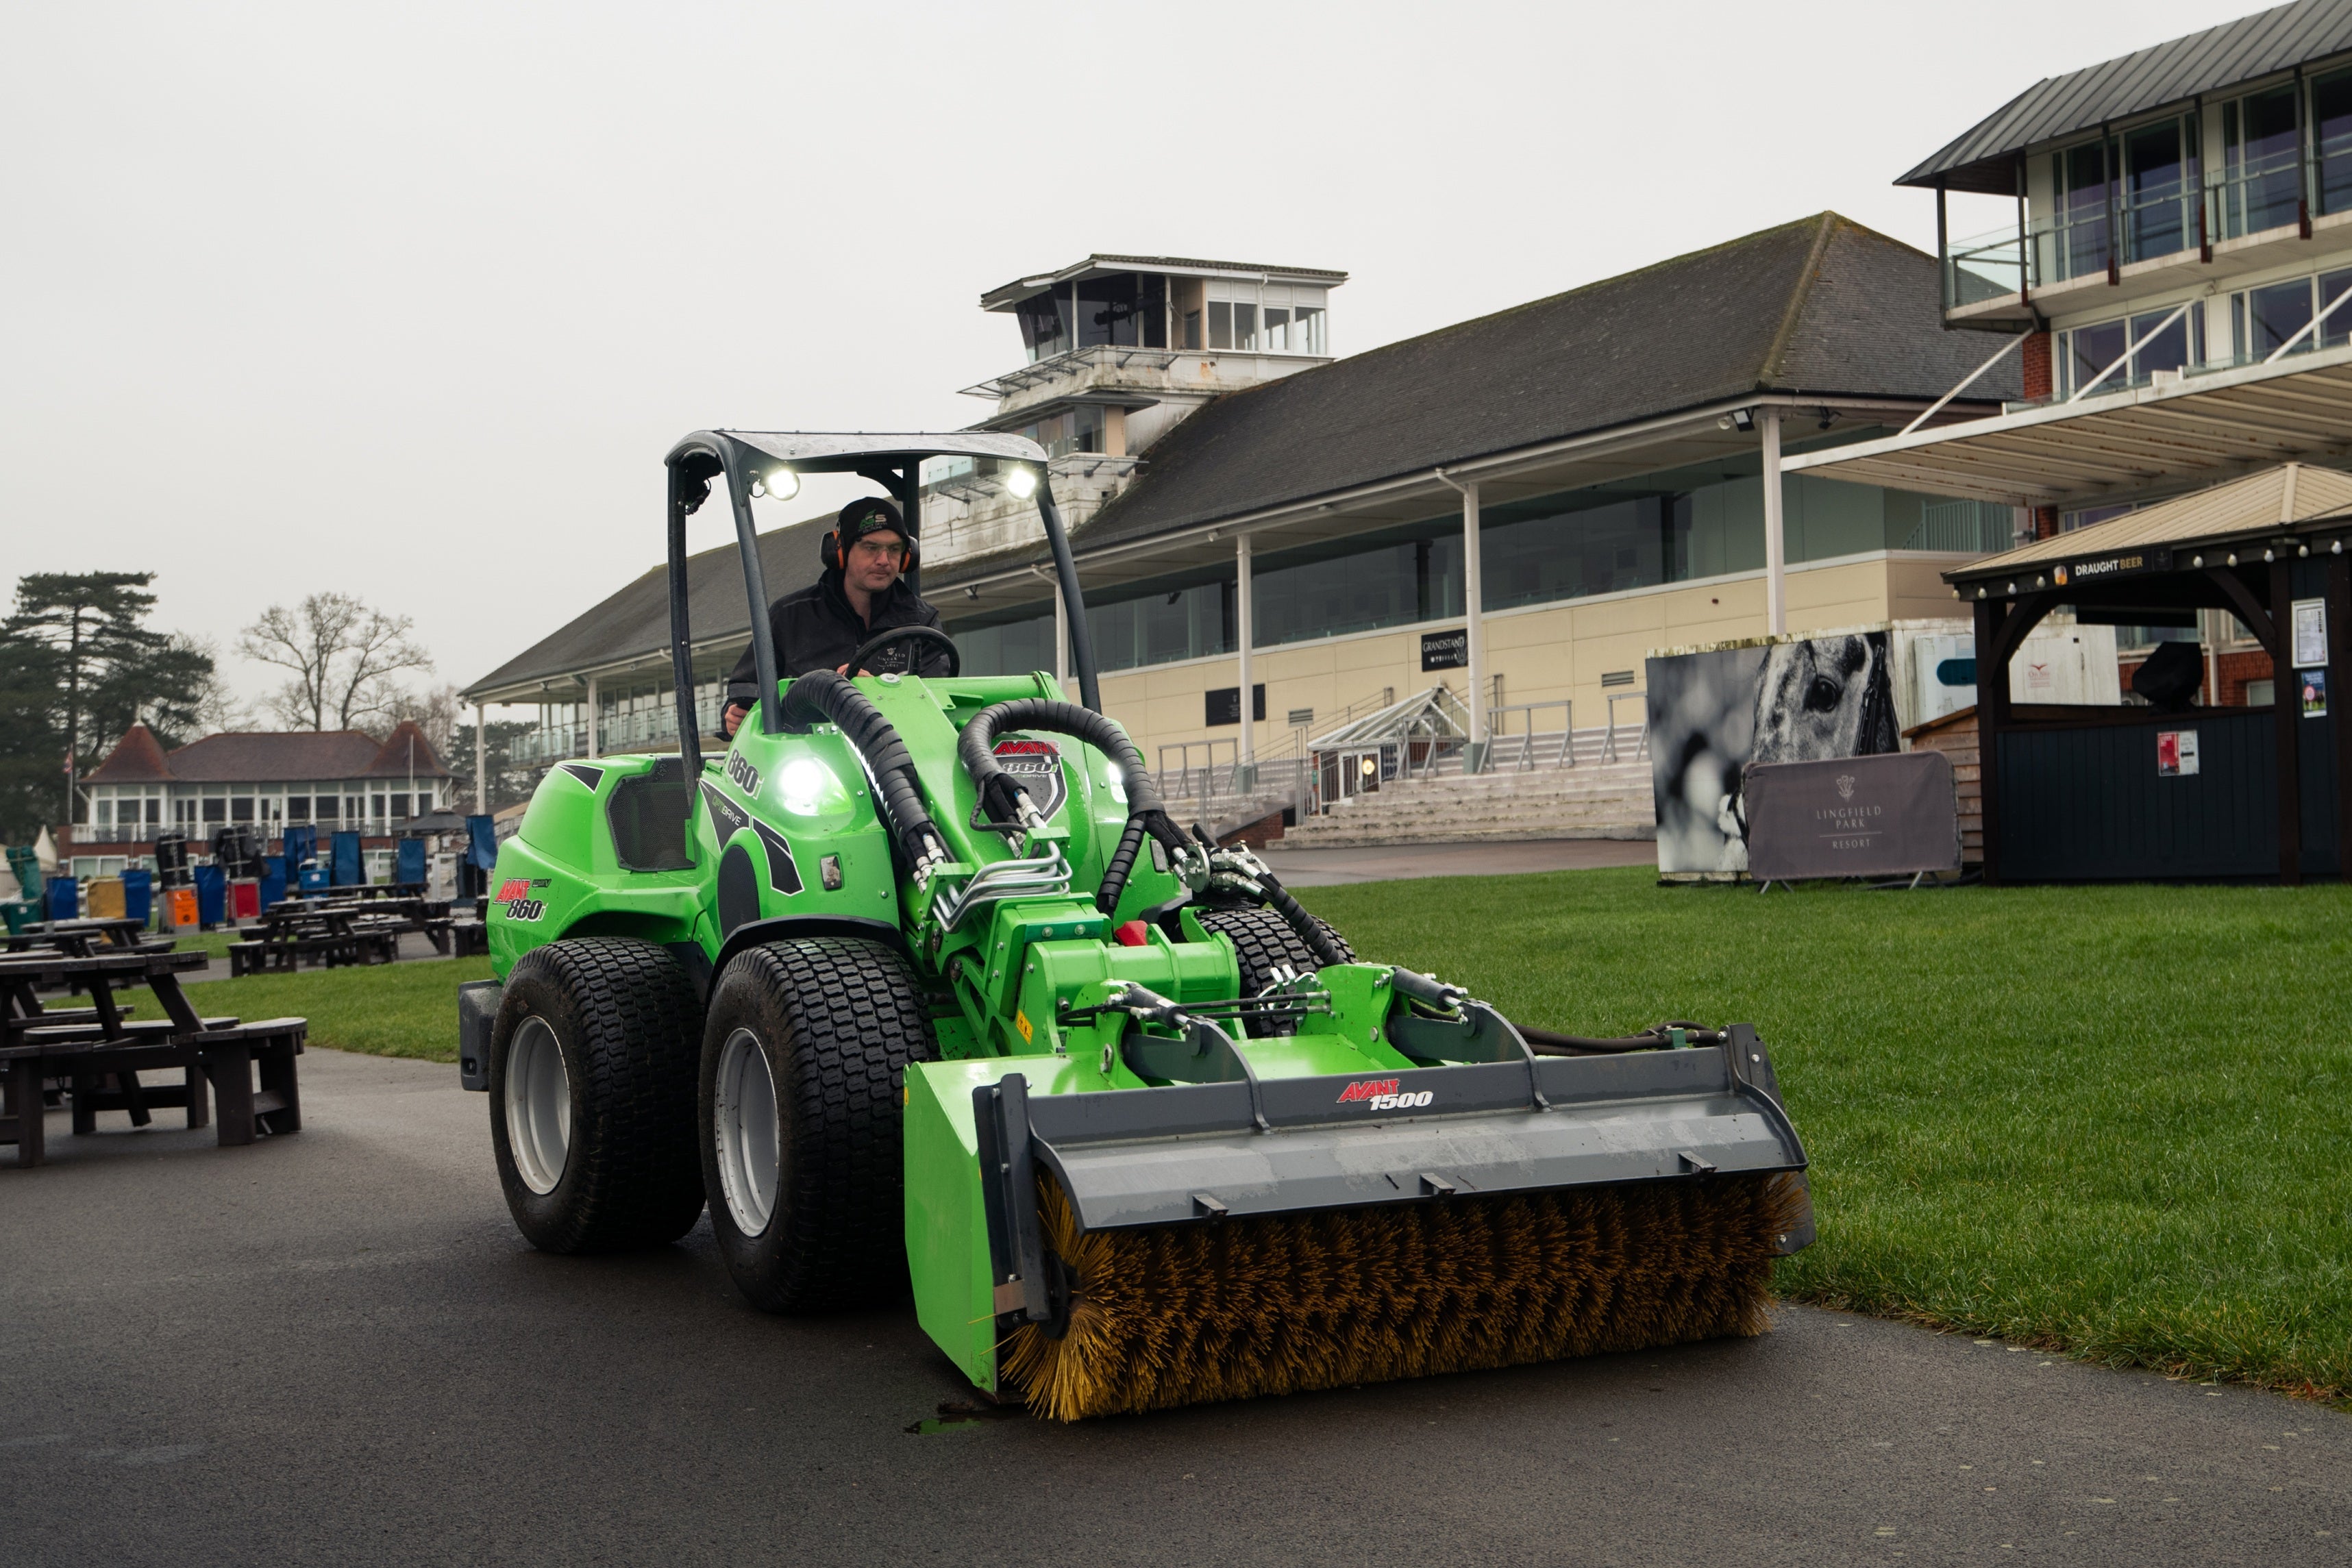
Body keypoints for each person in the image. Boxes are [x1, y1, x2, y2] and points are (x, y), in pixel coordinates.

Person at [720, 496, 950, 739]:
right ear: (840, 551)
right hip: (803, 752)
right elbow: (747, 691)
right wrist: (734, 715)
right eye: (871, 548)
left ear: (907, 555)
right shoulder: (790, 616)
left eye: (894, 549)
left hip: (897, 752)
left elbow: (939, 706)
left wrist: (878, 692)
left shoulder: (923, 622)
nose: (884, 560)